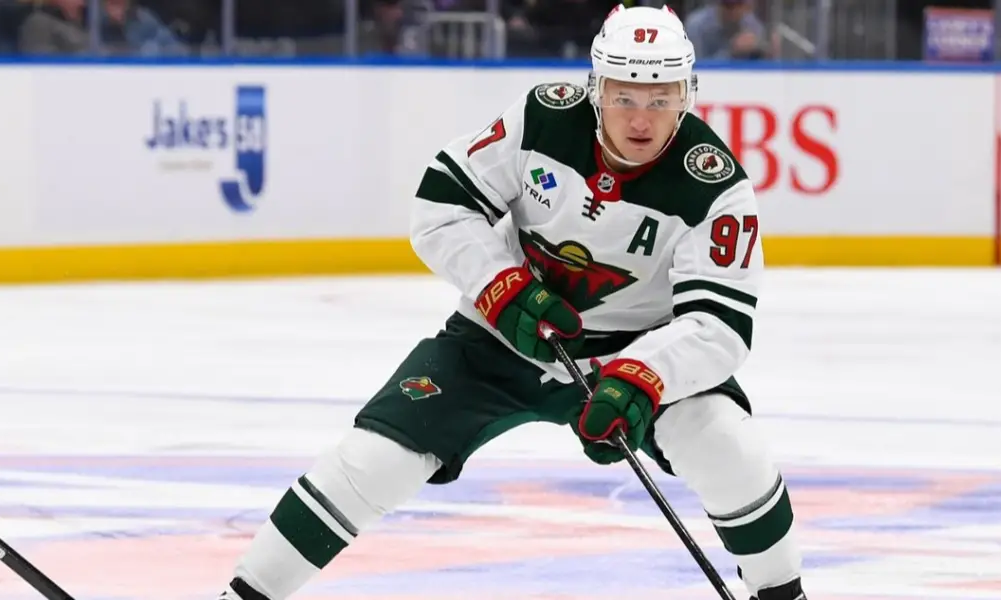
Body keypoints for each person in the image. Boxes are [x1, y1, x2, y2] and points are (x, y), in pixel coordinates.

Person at [216, 4, 806, 600]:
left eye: (660, 99)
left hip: (633, 357)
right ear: (596, 89)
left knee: (731, 448)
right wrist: (502, 288)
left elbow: (719, 326)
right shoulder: (542, 119)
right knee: (373, 459)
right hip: (501, 336)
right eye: (626, 97)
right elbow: (442, 205)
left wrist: (639, 378)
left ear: (688, 95)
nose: (641, 119)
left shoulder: (715, 187)